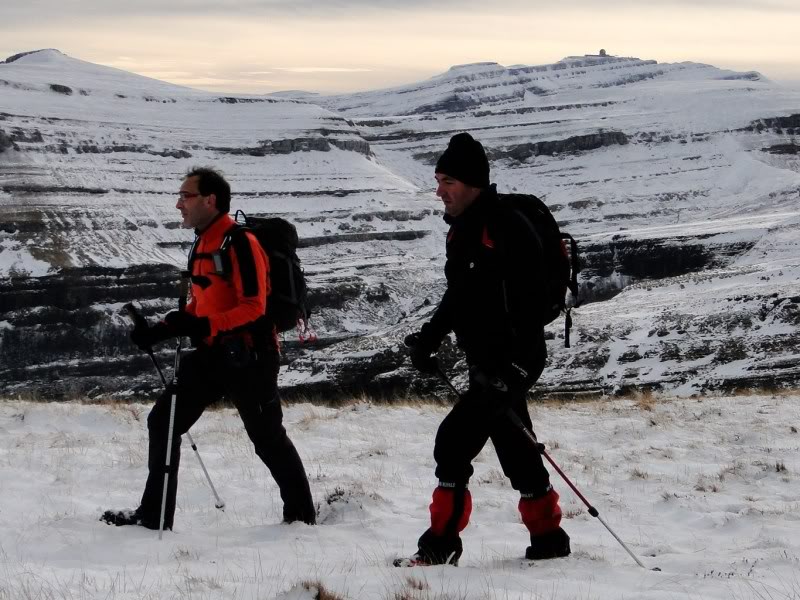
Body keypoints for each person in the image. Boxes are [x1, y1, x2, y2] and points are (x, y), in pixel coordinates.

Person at [101, 167, 316, 530]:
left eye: (185, 196)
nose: (178, 204)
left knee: (266, 438)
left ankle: (301, 517)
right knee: (163, 422)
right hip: (213, 354)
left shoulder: (240, 243)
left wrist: (201, 325)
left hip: (252, 355)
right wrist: (160, 331)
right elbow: (202, 305)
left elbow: (254, 307)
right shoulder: (203, 242)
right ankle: (154, 516)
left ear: (210, 200)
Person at [397, 133, 570, 566]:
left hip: (514, 359)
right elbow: (458, 296)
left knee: (452, 442)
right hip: (486, 360)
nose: (439, 191)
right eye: (438, 180)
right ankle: (549, 540)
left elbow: (530, 305)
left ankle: (440, 546)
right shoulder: (464, 231)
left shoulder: (506, 228)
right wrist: (429, 339)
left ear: (473, 182)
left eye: (447, 181)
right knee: (517, 449)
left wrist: (511, 369)